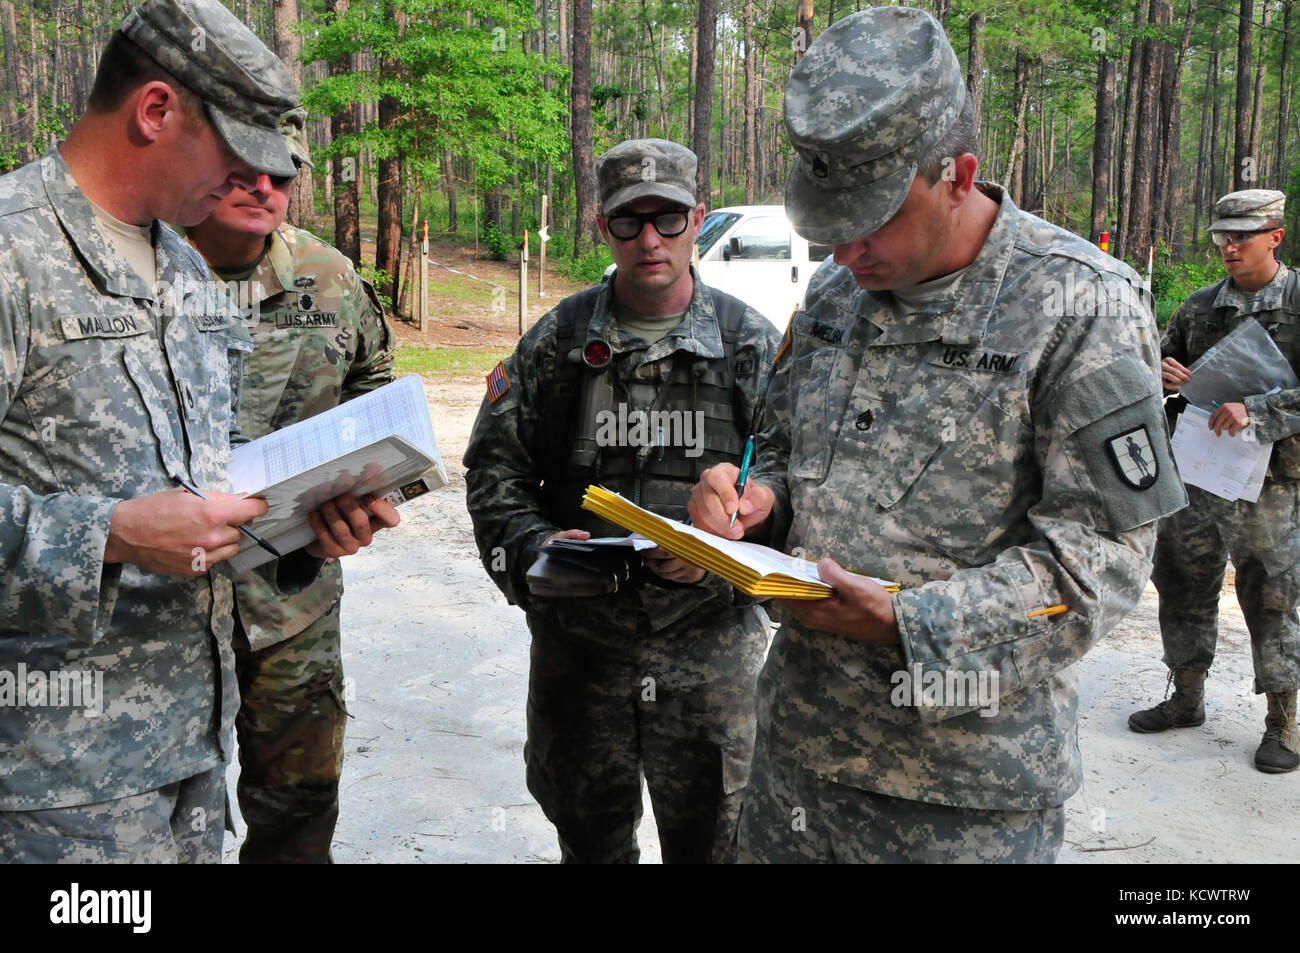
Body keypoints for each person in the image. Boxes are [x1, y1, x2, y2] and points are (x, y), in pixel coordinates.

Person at [687, 6, 1186, 863]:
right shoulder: (840, 297)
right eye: (828, 221)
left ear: (958, 174)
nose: (842, 249)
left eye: (871, 215)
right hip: (796, 765)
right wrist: (754, 504)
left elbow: (1098, 565)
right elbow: (780, 454)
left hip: (965, 800)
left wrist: (907, 622)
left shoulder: (1083, 306)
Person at [0, 0, 396, 863]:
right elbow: (128, 523)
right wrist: (110, 535)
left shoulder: (179, 267)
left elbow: (199, 482)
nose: (252, 186)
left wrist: (302, 524)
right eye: (237, 157)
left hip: (191, 765)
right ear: (155, 112)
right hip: (51, 788)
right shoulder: (13, 253)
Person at [463, 138, 779, 863]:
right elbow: (494, 470)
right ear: (601, 225)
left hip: (710, 662)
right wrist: (537, 552)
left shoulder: (751, 349)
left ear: (698, 218)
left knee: (717, 848)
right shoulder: (558, 344)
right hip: (583, 655)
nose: (649, 240)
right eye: (628, 221)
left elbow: (789, 488)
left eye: (667, 218)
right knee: (590, 846)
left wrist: (726, 548)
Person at [185, 110, 396, 861]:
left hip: (292, 600)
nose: (264, 185)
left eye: (283, 170)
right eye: (243, 166)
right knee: (163, 821)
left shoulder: (329, 277)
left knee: (299, 817)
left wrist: (369, 503)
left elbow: (375, 389)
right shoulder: (135, 273)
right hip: (161, 608)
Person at [1130, 188, 1300, 774]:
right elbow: (1156, 371)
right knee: (1180, 579)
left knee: (1272, 591)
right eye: (1221, 236)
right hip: (1198, 471)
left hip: (1271, 480)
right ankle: (1186, 697)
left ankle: (1283, 722)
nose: (1228, 246)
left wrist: (1264, 411)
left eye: (1241, 236)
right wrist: (1164, 373)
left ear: (1275, 236)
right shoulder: (1200, 307)